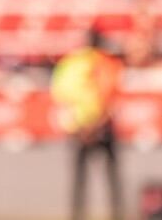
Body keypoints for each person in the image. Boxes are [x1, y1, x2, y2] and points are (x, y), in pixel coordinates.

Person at [51, 27, 125, 220]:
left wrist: (80, 126)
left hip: (79, 127)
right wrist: (97, 124)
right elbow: (112, 95)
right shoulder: (107, 62)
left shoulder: (69, 63)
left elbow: (60, 95)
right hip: (101, 126)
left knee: (79, 178)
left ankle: (77, 214)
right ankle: (116, 214)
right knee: (111, 176)